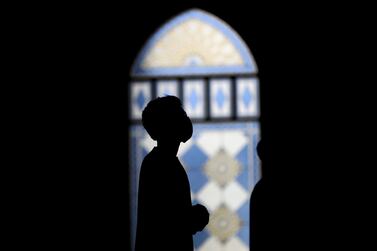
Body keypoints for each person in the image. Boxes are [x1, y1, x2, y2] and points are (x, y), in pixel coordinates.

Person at [135, 96, 209, 251]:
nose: (186, 119)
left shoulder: (162, 162)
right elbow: (163, 224)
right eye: (181, 115)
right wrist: (194, 217)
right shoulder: (158, 164)